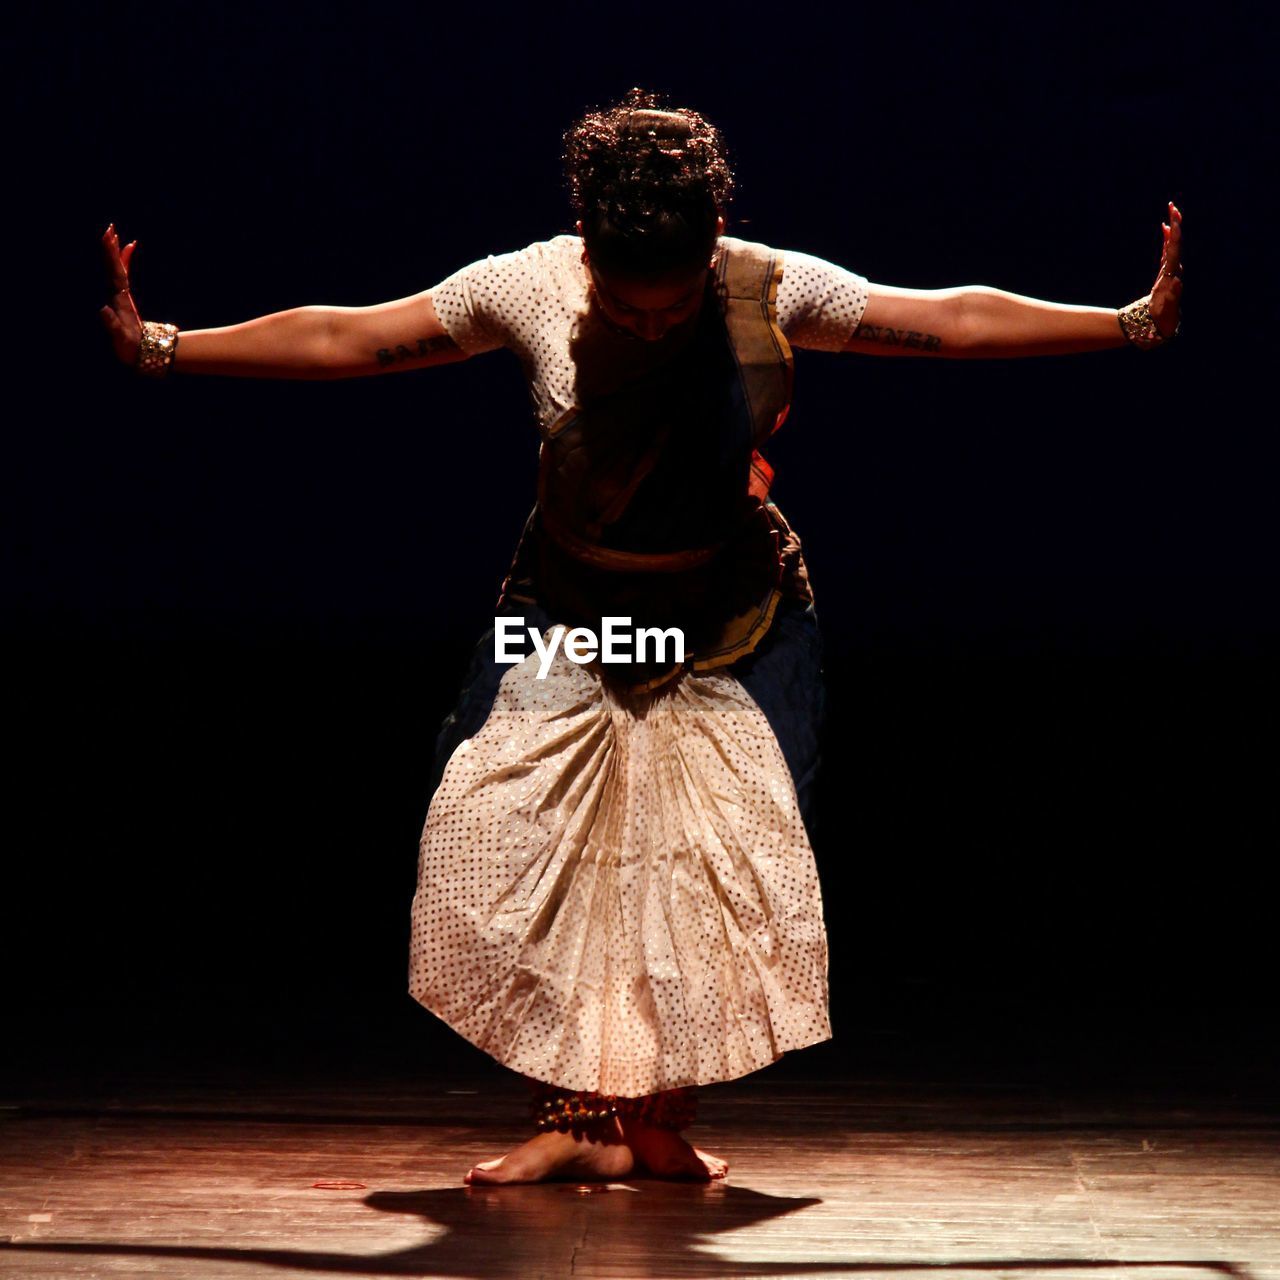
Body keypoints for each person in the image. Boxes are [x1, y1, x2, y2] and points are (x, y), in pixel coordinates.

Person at [100, 88, 1183, 1187]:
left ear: (712, 242)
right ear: (589, 255)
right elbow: (350, 336)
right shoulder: (526, 286)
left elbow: (944, 319)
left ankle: (655, 1114)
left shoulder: (763, 286)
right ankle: (574, 1116)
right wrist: (163, 347)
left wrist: (1126, 320)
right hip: (577, 606)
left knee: (705, 862)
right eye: (631, 310)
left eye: (675, 311)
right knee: (510, 841)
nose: (657, 327)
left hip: (729, 612)